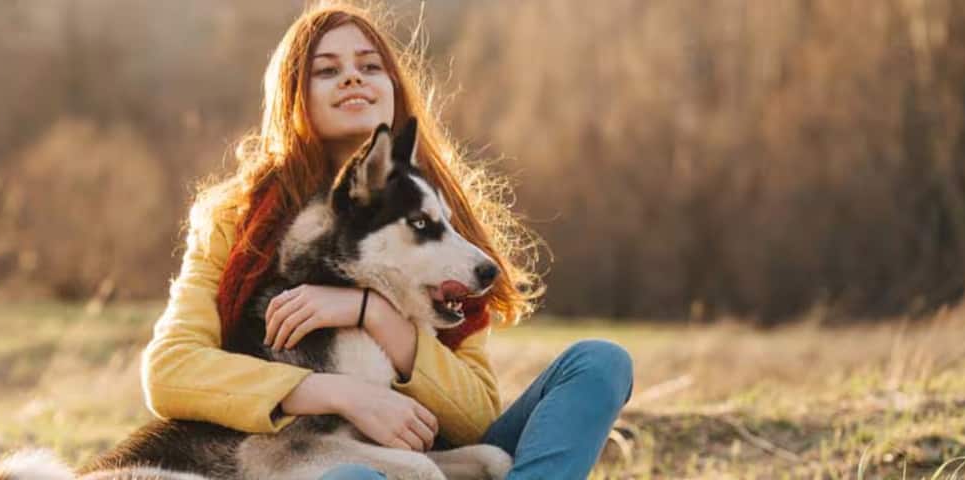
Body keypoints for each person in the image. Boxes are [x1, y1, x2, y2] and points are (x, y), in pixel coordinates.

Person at [141, 4, 633, 479]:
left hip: (434, 450)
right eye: (327, 70)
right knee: (352, 477)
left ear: (393, 87)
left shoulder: (440, 221)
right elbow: (170, 371)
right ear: (294, 97)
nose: (353, 77)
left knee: (599, 362)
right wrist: (336, 393)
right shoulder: (234, 221)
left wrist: (372, 314)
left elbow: (476, 416)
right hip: (305, 458)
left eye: (370, 65)